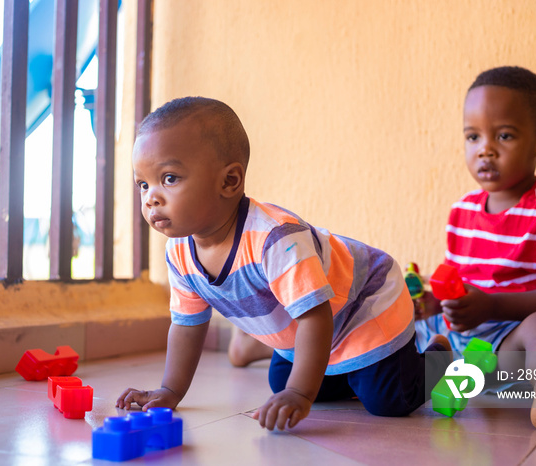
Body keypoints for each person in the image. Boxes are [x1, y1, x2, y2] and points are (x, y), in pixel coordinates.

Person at [116, 96, 450, 431]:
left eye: (169, 178)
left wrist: (300, 393)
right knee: (281, 382)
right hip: (316, 326)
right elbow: (187, 326)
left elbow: (315, 317)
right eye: (143, 184)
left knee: (387, 400)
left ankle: (436, 358)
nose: (151, 197)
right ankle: (353, 371)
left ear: (229, 181)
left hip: (364, 304)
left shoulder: (274, 239)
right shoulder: (179, 252)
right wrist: (171, 391)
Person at [413, 66, 536, 430]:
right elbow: (459, 285)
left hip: (508, 346)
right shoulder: (461, 211)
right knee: (392, 311)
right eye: (473, 137)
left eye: (505, 135)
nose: (486, 150)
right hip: (456, 342)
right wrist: (435, 302)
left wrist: (493, 305)